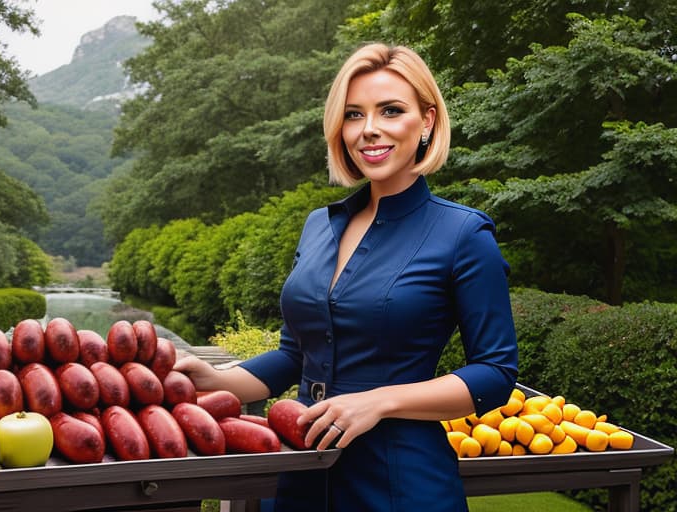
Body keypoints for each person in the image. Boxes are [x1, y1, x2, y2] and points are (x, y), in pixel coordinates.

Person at [174, 43, 518, 511]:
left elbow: (495, 373)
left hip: (399, 482)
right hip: (300, 473)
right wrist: (216, 378)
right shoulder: (320, 224)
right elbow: (295, 355)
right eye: (354, 115)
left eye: (390, 110)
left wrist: (377, 401)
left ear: (428, 121)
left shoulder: (463, 233)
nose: (369, 129)